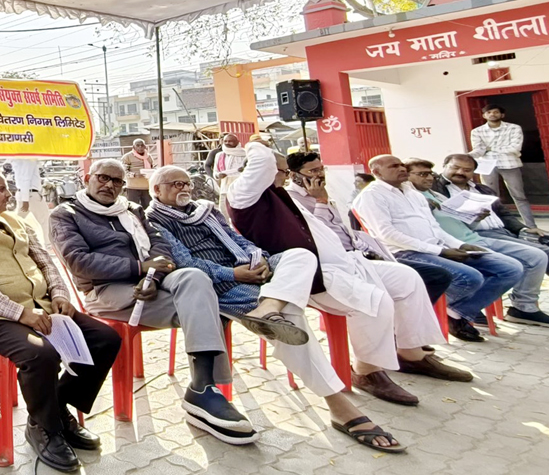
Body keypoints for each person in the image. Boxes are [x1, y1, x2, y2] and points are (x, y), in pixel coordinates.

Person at [150, 166, 413, 453]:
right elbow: (187, 263)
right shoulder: (154, 220)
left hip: (253, 272)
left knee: (300, 255)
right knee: (291, 318)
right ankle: (338, 405)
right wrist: (235, 273)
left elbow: (239, 240)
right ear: (156, 190)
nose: (183, 188)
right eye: (175, 184)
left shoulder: (206, 210)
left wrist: (260, 259)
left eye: (186, 183)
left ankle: (270, 305)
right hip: (221, 284)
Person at [51, 159, 276, 447]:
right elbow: (79, 262)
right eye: (103, 178)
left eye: (117, 181)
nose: (110, 185)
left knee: (195, 278)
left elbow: (160, 245)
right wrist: (139, 267)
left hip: (151, 281)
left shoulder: (131, 210)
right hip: (106, 290)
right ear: (87, 179)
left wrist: (153, 277)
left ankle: (202, 387)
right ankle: (209, 389)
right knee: (206, 305)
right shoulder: (66, 214)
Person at [223, 144, 464, 403]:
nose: (283, 176)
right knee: (374, 301)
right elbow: (262, 161)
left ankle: (411, 354)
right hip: (314, 275)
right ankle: (366, 371)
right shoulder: (243, 195)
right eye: (280, 171)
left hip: (348, 262)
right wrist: (254, 143)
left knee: (407, 279)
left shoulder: (279, 194)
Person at [0, 167, 119, 472]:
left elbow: (45, 261)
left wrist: (60, 294)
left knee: (105, 339)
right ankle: (46, 429)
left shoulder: (15, 221)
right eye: (1, 189)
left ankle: (54, 409)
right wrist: (19, 313)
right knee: (40, 354)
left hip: (40, 306)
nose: (9, 194)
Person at [352, 155, 523, 343]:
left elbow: (435, 228)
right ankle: (435, 317)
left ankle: (457, 312)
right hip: (405, 253)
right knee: (470, 277)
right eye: (394, 166)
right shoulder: (371, 196)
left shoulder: (413, 194)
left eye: (401, 165)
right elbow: (387, 235)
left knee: (510, 268)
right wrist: (439, 251)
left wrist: (459, 245)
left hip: (437, 247)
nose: (401, 169)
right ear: (376, 172)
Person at [402, 158, 549, 330]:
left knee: (537, 256)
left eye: (430, 173)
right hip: (452, 245)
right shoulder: (410, 197)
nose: (430, 178)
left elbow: (460, 224)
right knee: (507, 268)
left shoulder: (435, 194)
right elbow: (425, 231)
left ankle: (522, 307)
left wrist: (475, 218)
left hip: (473, 238)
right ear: (406, 176)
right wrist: (451, 246)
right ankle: (465, 310)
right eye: (422, 174)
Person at [431, 155, 549, 319]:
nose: (460, 172)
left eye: (467, 170)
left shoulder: (482, 189)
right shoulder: (436, 189)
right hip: (479, 234)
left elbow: (505, 214)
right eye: (455, 167)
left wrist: (524, 229)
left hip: (506, 231)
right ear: (444, 166)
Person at [285, 152, 452, 306]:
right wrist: (321, 201)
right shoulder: (292, 199)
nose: (320, 175)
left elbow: (344, 230)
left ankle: (407, 320)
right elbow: (319, 233)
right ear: (294, 175)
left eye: (322, 169)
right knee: (425, 277)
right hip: (336, 262)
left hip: (361, 253)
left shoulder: (323, 191)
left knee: (430, 276)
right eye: (313, 171)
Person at [469, 104, 535, 227]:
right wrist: (466, 156)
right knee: (490, 197)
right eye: (489, 112)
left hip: (510, 164)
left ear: (502, 115)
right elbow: (478, 150)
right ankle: (498, 226)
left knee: (519, 196)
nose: (492, 114)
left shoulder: (514, 128)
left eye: (495, 112)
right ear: (484, 115)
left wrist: (489, 148)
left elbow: (515, 148)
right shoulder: (477, 131)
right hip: (488, 166)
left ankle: (531, 226)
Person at [7, 157, 49, 239]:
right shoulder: (29, 160)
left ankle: (11, 239)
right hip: (30, 194)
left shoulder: (18, 160)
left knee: (18, 221)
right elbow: (25, 180)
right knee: (44, 220)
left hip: (24, 193)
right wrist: (25, 200)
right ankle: (47, 243)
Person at [120, 139, 154, 208]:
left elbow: (153, 167)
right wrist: (134, 175)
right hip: (133, 187)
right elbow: (123, 171)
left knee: (148, 207)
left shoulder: (148, 157)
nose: (140, 147)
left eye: (142, 145)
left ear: (145, 146)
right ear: (133, 147)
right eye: (138, 145)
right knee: (133, 208)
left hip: (146, 187)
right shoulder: (127, 157)